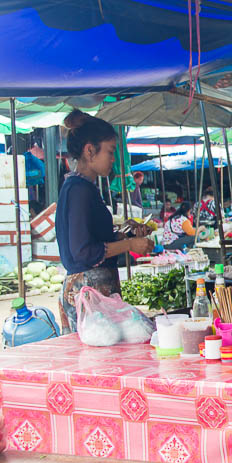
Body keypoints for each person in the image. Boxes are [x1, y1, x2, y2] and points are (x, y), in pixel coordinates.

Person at [56, 110, 154, 333]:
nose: (113, 159)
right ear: (90, 150)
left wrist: (126, 234)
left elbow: (93, 238)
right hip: (89, 293)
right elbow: (83, 252)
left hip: (95, 291)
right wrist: (129, 245)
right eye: (110, 152)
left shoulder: (83, 188)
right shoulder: (78, 190)